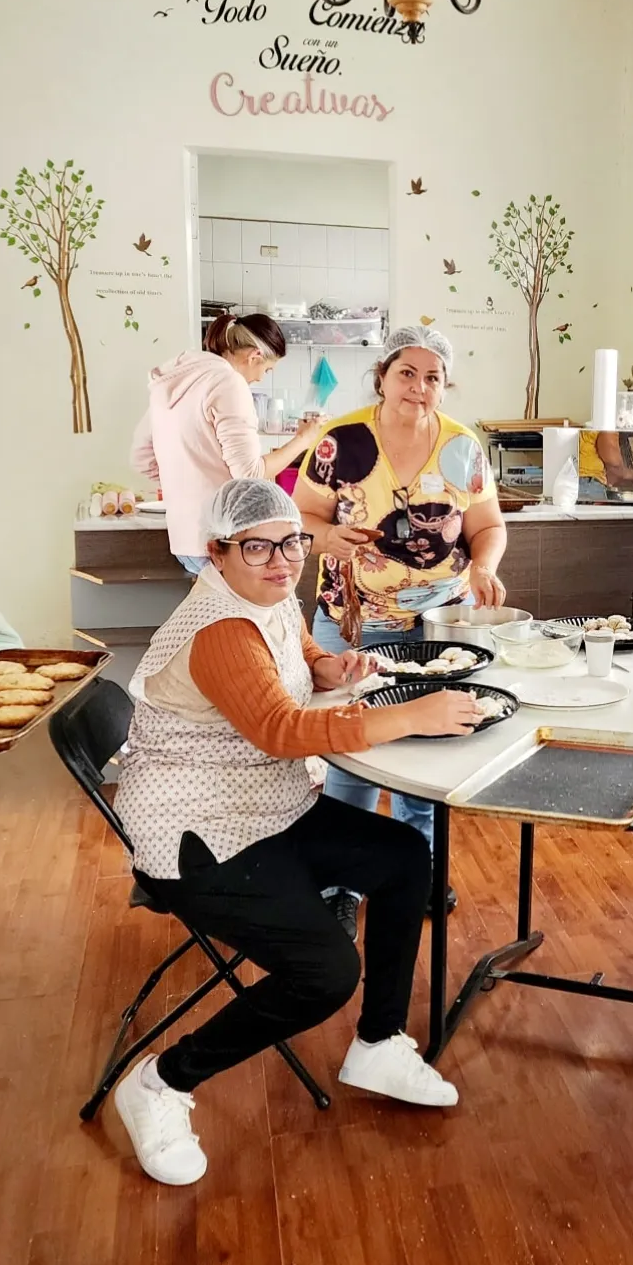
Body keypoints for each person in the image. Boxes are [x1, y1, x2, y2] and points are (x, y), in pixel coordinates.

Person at [111, 479, 484, 1187]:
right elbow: (281, 730)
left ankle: (377, 1043)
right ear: (216, 554)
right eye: (258, 546)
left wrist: (326, 666)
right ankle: (161, 1083)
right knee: (324, 973)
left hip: (268, 806)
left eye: (292, 542)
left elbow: (295, 654)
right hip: (199, 836)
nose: (283, 561)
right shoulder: (217, 630)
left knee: (405, 857)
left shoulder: (268, 594)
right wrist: (409, 715)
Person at [293, 323, 507, 863]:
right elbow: (300, 516)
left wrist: (483, 566)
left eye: (433, 377)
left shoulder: (463, 445)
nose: (419, 386)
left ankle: (421, 874)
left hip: (443, 624)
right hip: (357, 619)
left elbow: (489, 526)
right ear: (382, 376)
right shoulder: (341, 443)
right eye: (407, 373)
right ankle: (343, 880)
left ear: (445, 385)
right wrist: (326, 536)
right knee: (352, 747)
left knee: (430, 750)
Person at [130, 313, 325, 574]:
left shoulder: (172, 381)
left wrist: (187, 487)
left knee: (217, 614)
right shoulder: (229, 382)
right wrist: (304, 439)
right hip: (224, 538)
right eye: (266, 370)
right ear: (254, 355)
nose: (260, 378)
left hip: (185, 542)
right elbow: (251, 473)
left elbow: (141, 458)